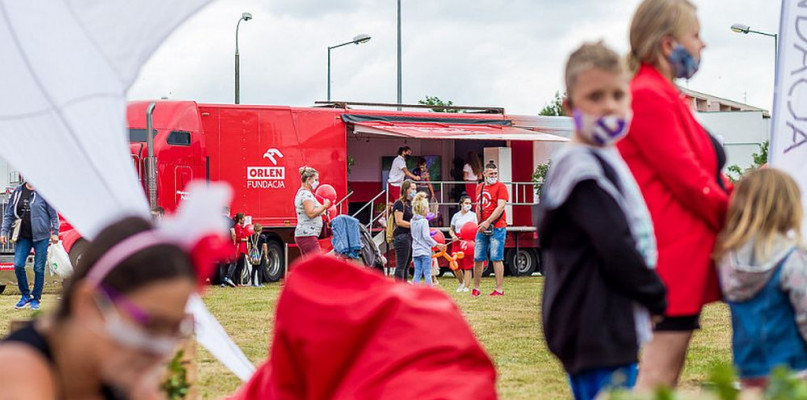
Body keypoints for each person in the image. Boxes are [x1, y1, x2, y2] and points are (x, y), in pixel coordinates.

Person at [539, 41, 668, 400]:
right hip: (595, 326)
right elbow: (616, 246)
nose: (609, 106)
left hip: (600, 323)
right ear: (570, 106)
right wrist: (655, 297)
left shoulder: (600, 161)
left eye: (617, 95)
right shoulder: (582, 173)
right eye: (595, 97)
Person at [618, 0, 731, 389]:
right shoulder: (649, 94)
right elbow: (690, 181)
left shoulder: (660, 93)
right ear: (669, 45)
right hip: (672, 263)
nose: (703, 46)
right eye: (696, 36)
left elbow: (705, 176)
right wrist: (744, 217)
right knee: (657, 381)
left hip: (680, 260)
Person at [0, 217, 196, 399]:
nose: (162, 348)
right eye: (150, 325)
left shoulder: (118, 374)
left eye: (175, 330)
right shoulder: (16, 371)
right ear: (89, 303)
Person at [714, 169, 807, 389]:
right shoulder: (792, 260)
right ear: (788, 207)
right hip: (793, 372)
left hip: (748, 371)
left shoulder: (726, 259)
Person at [0, 180, 59, 311]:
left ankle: (36, 299)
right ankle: (25, 295)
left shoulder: (43, 192)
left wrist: (55, 232)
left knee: (38, 268)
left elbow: (53, 215)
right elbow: (9, 214)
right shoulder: (18, 192)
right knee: (18, 264)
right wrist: (4, 232)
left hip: (41, 236)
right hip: (23, 236)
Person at [471, 161, 508, 296]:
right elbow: (478, 205)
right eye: (491, 173)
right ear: (484, 174)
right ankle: (476, 288)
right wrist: (479, 222)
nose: (494, 176)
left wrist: (487, 221)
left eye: (495, 173)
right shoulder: (479, 187)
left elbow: (501, 206)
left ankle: (499, 289)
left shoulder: (501, 187)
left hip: (497, 226)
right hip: (482, 226)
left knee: (496, 257)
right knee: (478, 257)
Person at [295, 166, 331, 256]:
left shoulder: (302, 192)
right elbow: (310, 213)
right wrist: (324, 206)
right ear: (308, 179)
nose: (317, 183)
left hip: (306, 234)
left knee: (310, 267)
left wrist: (321, 211)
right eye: (316, 180)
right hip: (308, 235)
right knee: (318, 264)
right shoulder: (306, 194)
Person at [410, 193, 444, 286]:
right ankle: (428, 290)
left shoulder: (412, 220)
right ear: (423, 209)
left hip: (416, 251)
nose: (429, 210)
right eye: (428, 208)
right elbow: (426, 236)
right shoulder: (424, 221)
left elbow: (414, 235)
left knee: (417, 273)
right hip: (425, 251)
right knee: (427, 273)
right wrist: (436, 244)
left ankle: (415, 290)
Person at [449, 195, 477, 292]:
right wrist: (453, 236)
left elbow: (475, 229)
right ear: (461, 204)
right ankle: (461, 282)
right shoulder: (456, 216)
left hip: (468, 241)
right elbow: (451, 229)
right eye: (466, 203)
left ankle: (466, 286)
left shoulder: (473, 216)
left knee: (467, 265)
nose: (468, 205)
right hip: (457, 240)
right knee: (455, 263)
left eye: (470, 203)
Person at [393, 180, 417, 281]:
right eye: (413, 189)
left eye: (415, 189)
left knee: (407, 265)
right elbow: (399, 221)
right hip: (402, 236)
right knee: (401, 265)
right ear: (406, 190)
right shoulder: (399, 203)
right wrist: (414, 225)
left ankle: (405, 285)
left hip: (410, 236)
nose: (415, 191)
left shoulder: (411, 204)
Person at [223, 213, 247, 287]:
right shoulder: (237, 227)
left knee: (238, 265)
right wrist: (246, 239)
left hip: (240, 248)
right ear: (240, 219)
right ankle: (233, 280)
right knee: (237, 265)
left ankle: (234, 281)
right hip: (238, 248)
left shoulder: (239, 227)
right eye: (243, 218)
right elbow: (237, 238)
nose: (244, 219)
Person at [248, 223, 267, 287]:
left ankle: (253, 283)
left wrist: (249, 255)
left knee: (253, 269)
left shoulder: (250, 237)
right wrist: (266, 255)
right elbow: (265, 246)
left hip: (253, 255)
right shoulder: (262, 237)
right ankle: (259, 283)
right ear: (260, 229)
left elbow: (249, 247)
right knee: (259, 269)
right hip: (260, 255)